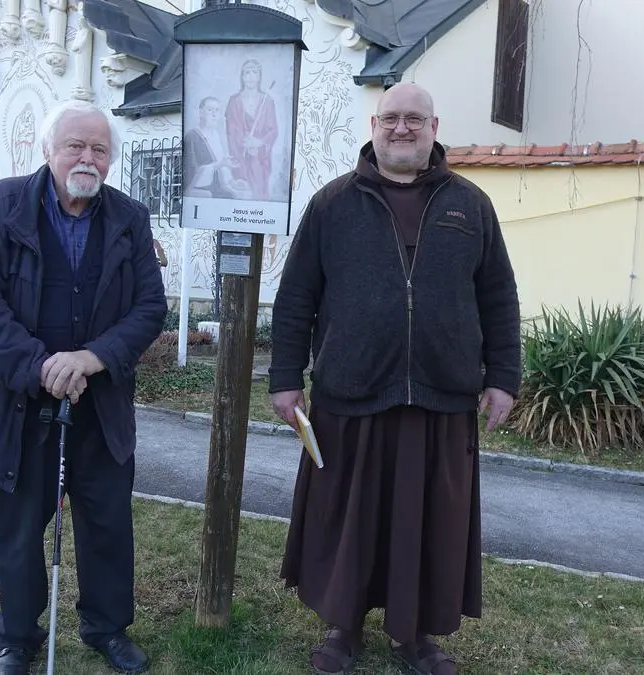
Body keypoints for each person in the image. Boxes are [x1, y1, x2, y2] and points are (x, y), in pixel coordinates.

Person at [268, 82, 522, 675]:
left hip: (441, 394)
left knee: (428, 523)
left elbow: (499, 297)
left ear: (434, 127)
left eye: (414, 119)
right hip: (351, 392)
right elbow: (296, 297)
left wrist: (503, 376)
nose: (401, 129)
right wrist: (285, 378)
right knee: (350, 520)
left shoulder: (471, 205)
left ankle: (416, 637)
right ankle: (343, 627)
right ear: (374, 126)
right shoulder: (332, 204)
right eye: (390, 119)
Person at [0, 98, 167, 675]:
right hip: (17, 403)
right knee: (18, 525)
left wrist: (93, 358)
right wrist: (43, 365)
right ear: (47, 150)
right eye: (75, 145)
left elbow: (149, 308)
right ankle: (16, 638)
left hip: (101, 404)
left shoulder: (129, 218)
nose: (87, 158)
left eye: (99, 148)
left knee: (107, 520)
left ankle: (106, 628)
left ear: (110, 159)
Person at [224, 59, 279, 201]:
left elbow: (273, 130)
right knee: (243, 193)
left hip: (260, 157)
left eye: (254, 72)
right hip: (240, 156)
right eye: (247, 73)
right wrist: (245, 143)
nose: (250, 76)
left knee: (259, 192)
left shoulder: (267, 101)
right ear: (242, 77)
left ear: (259, 76)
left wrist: (258, 143)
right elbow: (231, 130)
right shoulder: (234, 101)